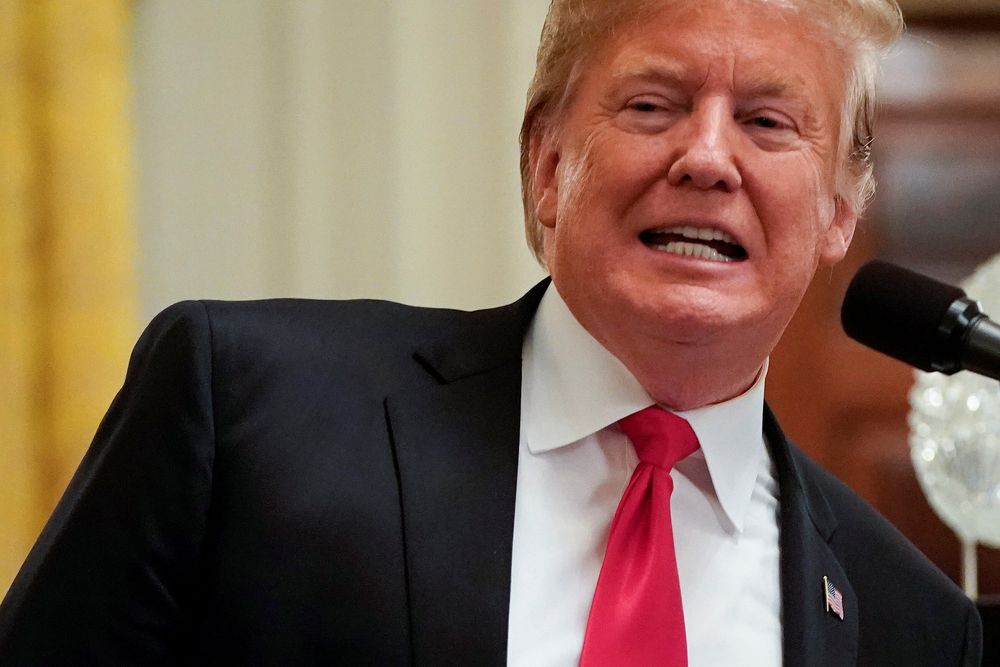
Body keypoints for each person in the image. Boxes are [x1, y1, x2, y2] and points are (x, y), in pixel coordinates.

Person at [0, 0, 983, 664]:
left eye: (769, 122)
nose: (707, 157)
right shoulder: (245, 410)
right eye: (653, 105)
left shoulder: (910, 619)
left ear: (839, 212)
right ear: (545, 162)